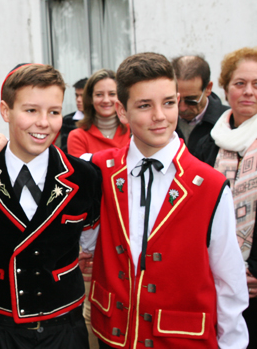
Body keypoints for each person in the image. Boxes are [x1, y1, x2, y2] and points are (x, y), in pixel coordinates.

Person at [89, 52, 248, 348]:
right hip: (114, 336)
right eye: (145, 105)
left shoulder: (211, 185)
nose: (160, 116)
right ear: (122, 112)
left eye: (168, 103)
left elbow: (229, 282)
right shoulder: (99, 169)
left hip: (183, 340)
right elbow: (41, 168)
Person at [0, 63, 101, 349]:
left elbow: (94, 243)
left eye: (54, 112)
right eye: (31, 110)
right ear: (5, 111)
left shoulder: (84, 176)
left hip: (65, 327)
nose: (44, 122)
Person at [195, 47, 257, 348]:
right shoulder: (208, 143)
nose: (248, 92)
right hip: (214, 282)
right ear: (225, 87)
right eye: (240, 83)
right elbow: (195, 211)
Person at [172, 55, 228, 155]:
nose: (182, 108)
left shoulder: (228, 121)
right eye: (176, 100)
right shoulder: (160, 120)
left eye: (191, 101)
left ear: (208, 88)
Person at [67, 69, 130, 157]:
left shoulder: (134, 131)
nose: (106, 100)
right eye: (99, 95)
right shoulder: (77, 137)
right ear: (90, 99)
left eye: (112, 94)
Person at [57, 77, 88, 152]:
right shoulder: (68, 120)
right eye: (77, 95)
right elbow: (65, 149)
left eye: (82, 96)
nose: (78, 100)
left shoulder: (100, 119)